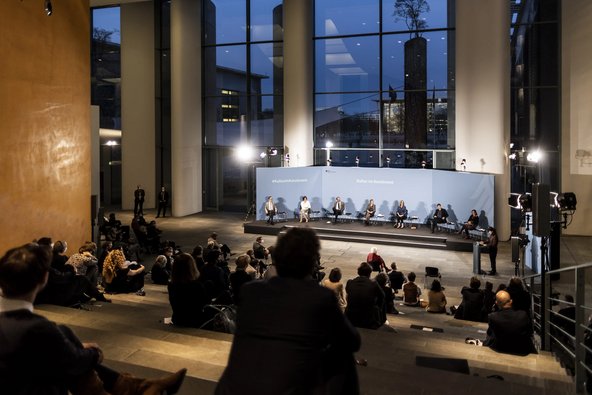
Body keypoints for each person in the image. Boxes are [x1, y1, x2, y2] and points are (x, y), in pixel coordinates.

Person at [0, 242, 187, 395]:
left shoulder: (22, 326)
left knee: (64, 337)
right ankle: (139, 387)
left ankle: (139, 387)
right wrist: (93, 353)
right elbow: (77, 361)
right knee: (75, 363)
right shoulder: (38, 329)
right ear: (43, 279)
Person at [216, 227, 361, 395]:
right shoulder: (320, 297)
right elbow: (353, 341)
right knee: (345, 358)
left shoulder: (251, 291)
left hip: (233, 388)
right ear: (312, 262)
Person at [483, 290, 537, 355]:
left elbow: (490, 334)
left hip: (501, 348)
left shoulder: (492, 317)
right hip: (521, 349)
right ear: (511, 301)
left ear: (496, 303)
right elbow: (530, 332)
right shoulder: (523, 315)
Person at [168, 253, 209, 328]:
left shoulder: (171, 285)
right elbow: (204, 304)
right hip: (195, 321)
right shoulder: (197, 286)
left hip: (178, 319)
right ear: (192, 267)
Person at [345, 262, 385, 329]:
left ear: (358, 272)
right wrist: (378, 307)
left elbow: (348, 295)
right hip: (367, 317)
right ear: (369, 273)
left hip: (351, 315)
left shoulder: (350, 282)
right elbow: (382, 296)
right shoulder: (373, 284)